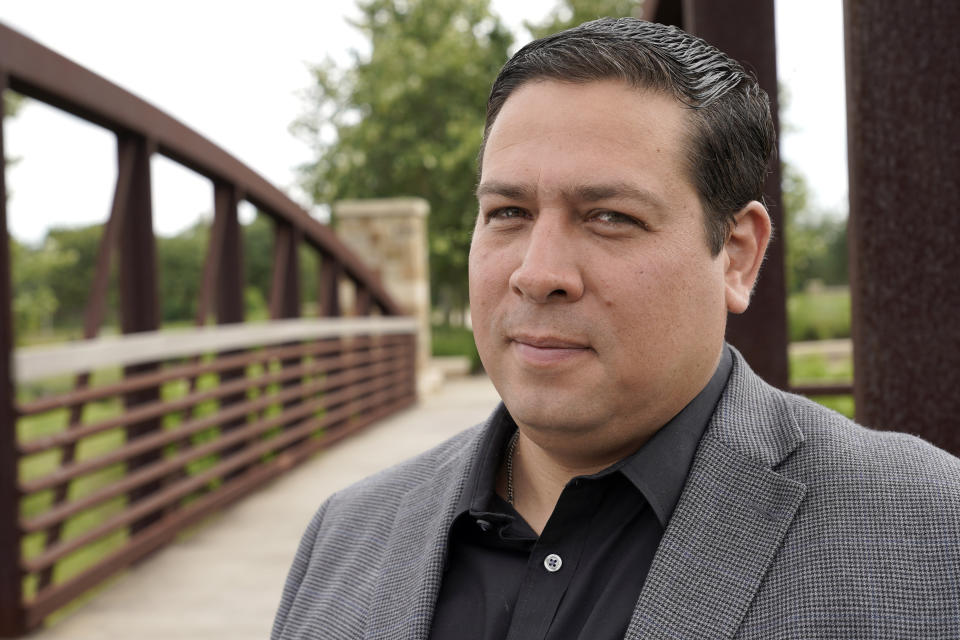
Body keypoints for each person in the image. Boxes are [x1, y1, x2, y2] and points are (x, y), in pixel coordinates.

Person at [272, 17, 960, 640]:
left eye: (610, 217)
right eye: (508, 211)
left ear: (739, 255)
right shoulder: (347, 534)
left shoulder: (926, 532)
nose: (538, 273)